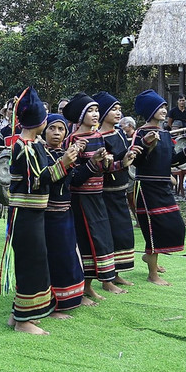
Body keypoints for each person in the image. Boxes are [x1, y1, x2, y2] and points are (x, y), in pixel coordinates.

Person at [0, 85, 61, 335]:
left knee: (33, 261)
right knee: (31, 264)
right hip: (26, 214)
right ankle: (24, 321)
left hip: (30, 215)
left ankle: (18, 315)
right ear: (41, 121)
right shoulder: (25, 147)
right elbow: (38, 180)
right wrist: (65, 163)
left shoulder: (31, 145)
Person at [63, 93, 132, 300]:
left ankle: (90, 286)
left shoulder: (98, 137)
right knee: (85, 242)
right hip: (80, 200)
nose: (95, 114)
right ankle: (81, 289)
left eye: (96, 110)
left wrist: (122, 163)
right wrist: (93, 163)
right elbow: (73, 176)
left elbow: (105, 169)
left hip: (97, 196)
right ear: (81, 115)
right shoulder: (73, 140)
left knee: (100, 240)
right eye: (90, 111)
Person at [131, 90, 186, 285]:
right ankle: (152, 274)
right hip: (146, 188)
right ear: (150, 110)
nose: (164, 110)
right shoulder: (141, 133)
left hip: (162, 187)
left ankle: (149, 258)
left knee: (174, 226)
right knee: (154, 229)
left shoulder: (166, 134)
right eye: (160, 107)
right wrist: (147, 144)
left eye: (164, 107)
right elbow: (136, 159)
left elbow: (171, 161)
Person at [41, 114, 86, 314]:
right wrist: (64, 162)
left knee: (69, 256)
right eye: (52, 128)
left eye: (61, 129)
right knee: (55, 259)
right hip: (47, 216)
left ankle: (72, 298)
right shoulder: (39, 153)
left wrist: (96, 163)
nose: (57, 133)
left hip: (66, 213)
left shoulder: (63, 153)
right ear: (44, 131)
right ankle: (54, 303)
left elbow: (74, 180)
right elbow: (43, 180)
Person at [95, 92, 136, 285]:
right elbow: (101, 166)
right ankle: (107, 280)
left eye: (119, 109)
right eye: (113, 109)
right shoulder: (98, 138)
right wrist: (121, 163)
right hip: (106, 192)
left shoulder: (119, 132)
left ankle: (117, 274)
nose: (118, 113)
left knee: (123, 233)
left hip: (121, 189)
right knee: (109, 235)